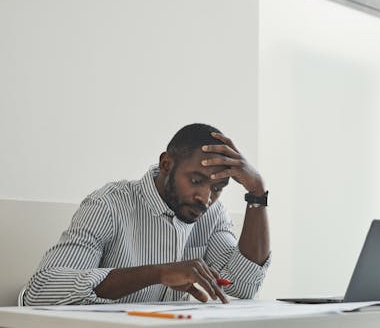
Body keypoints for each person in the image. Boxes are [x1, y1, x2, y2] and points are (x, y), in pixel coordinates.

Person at [24, 123, 270, 305]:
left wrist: (257, 193)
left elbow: (243, 285)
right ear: (166, 164)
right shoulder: (108, 205)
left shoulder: (211, 214)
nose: (205, 198)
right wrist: (158, 273)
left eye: (216, 189)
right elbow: (41, 291)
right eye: (196, 180)